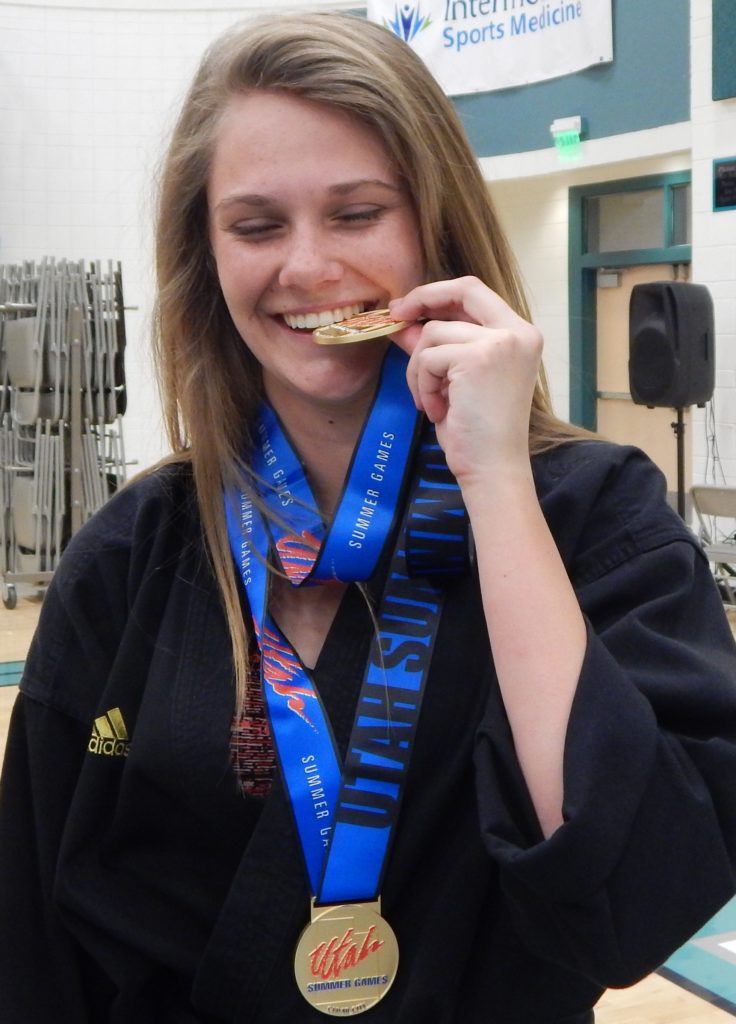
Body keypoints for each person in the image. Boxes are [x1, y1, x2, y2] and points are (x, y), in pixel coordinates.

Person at [2, 12, 736, 1024]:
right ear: (206, 255)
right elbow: (34, 943)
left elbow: (627, 902)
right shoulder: (131, 555)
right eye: (256, 225)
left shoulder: (590, 515)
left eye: (356, 213)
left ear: (434, 227)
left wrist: (495, 481)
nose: (306, 267)